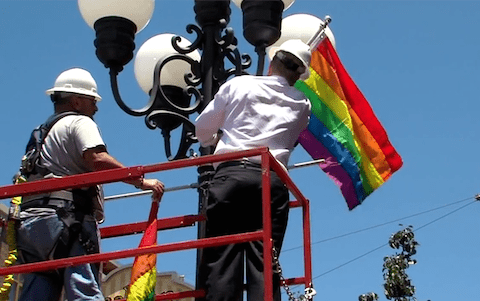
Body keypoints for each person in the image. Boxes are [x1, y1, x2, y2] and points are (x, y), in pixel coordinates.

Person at [16, 68, 165, 301]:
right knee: (83, 291)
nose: (96, 107)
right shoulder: (80, 122)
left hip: (33, 224)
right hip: (66, 221)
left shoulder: (43, 133)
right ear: (77, 100)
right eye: (92, 101)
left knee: (37, 292)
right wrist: (141, 181)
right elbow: (97, 159)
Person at [195, 39, 312, 301]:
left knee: (223, 258)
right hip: (271, 182)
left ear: (272, 63)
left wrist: (212, 142)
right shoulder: (302, 104)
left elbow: (202, 127)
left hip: (230, 176)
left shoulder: (239, 84)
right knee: (264, 260)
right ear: (297, 75)